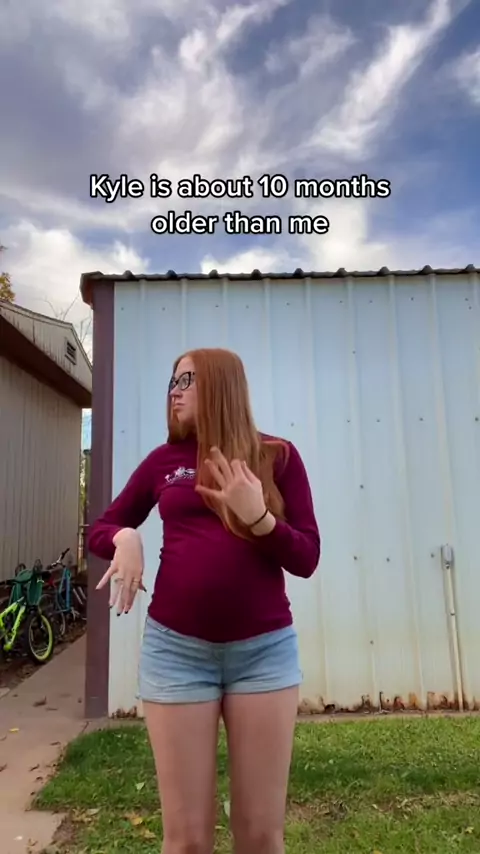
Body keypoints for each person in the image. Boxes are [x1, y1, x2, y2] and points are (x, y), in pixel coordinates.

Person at [88, 347, 321, 854]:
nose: (174, 391)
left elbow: (307, 557)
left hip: (263, 655)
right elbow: (102, 526)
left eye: (187, 380)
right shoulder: (164, 462)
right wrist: (125, 538)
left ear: (220, 385)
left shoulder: (277, 456)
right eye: (172, 381)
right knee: (188, 840)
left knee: (259, 836)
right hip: (177, 654)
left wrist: (259, 519)